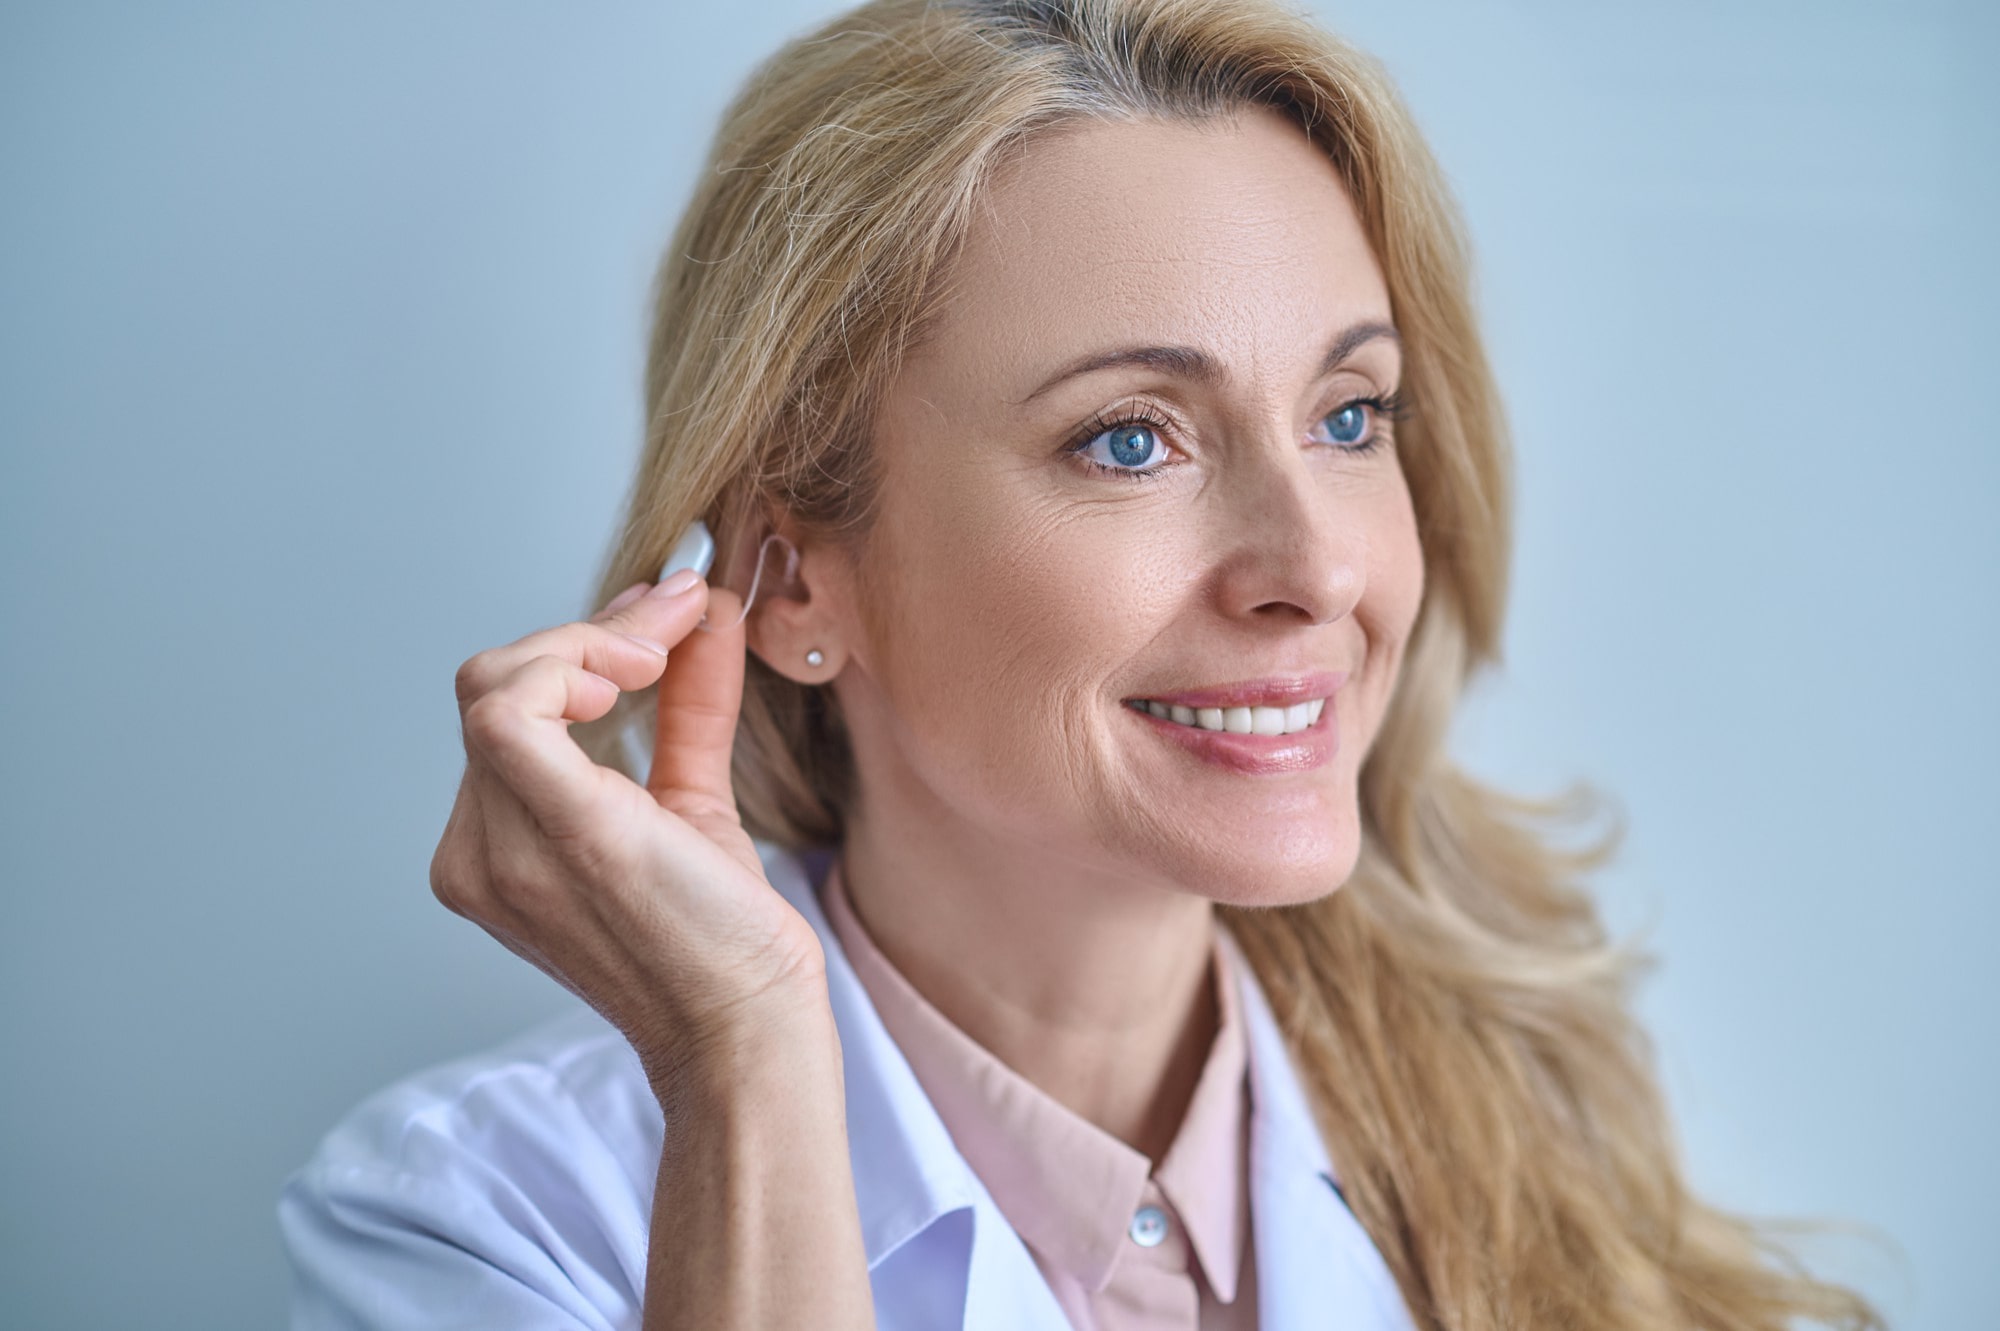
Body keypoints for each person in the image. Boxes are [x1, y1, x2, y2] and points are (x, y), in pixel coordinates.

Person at [278, 1, 1884, 1327]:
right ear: (788, 576)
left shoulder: (1544, 1115)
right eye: (1133, 438)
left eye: (1349, 416)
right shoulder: (472, 1228)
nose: (1318, 567)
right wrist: (746, 1062)